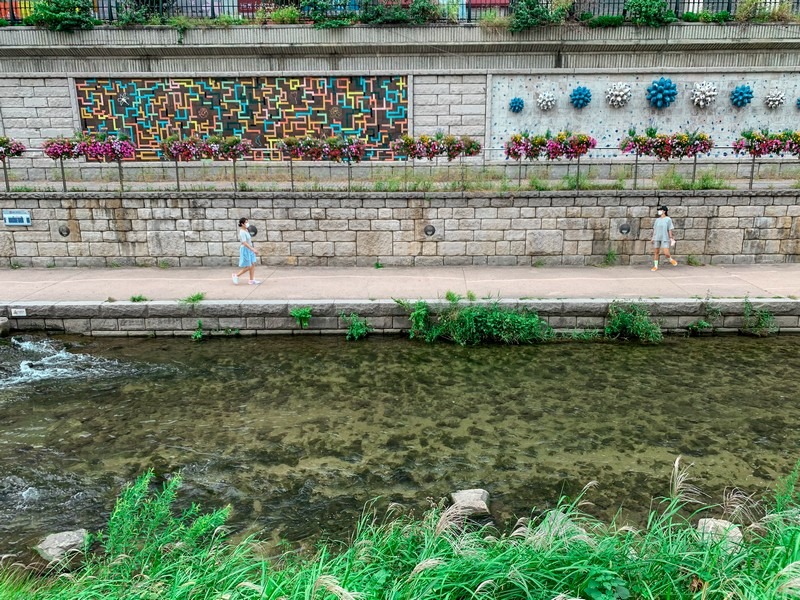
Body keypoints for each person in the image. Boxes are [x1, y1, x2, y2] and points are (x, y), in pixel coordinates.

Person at [232, 217, 260, 285]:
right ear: (242, 224)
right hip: (245, 249)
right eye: (246, 222)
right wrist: (253, 249)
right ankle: (236, 276)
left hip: (250, 248)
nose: (247, 223)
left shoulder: (247, 230)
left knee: (252, 264)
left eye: (247, 222)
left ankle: (251, 280)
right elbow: (244, 243)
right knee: (248, 266)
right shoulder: (242, 232)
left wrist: (252, 249)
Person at [651, 204, 677, 272]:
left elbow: (670, 229)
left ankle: (670, 259)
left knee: (666, 253)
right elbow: (655, 229)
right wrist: (653, 238)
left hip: (665, 238)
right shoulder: (657, 220)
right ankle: (655, 266)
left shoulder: (668, 219)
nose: (659, 211)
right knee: (656, 252)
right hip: (657, 237)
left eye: (660, 210)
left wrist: (671, 238)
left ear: (664, 211)